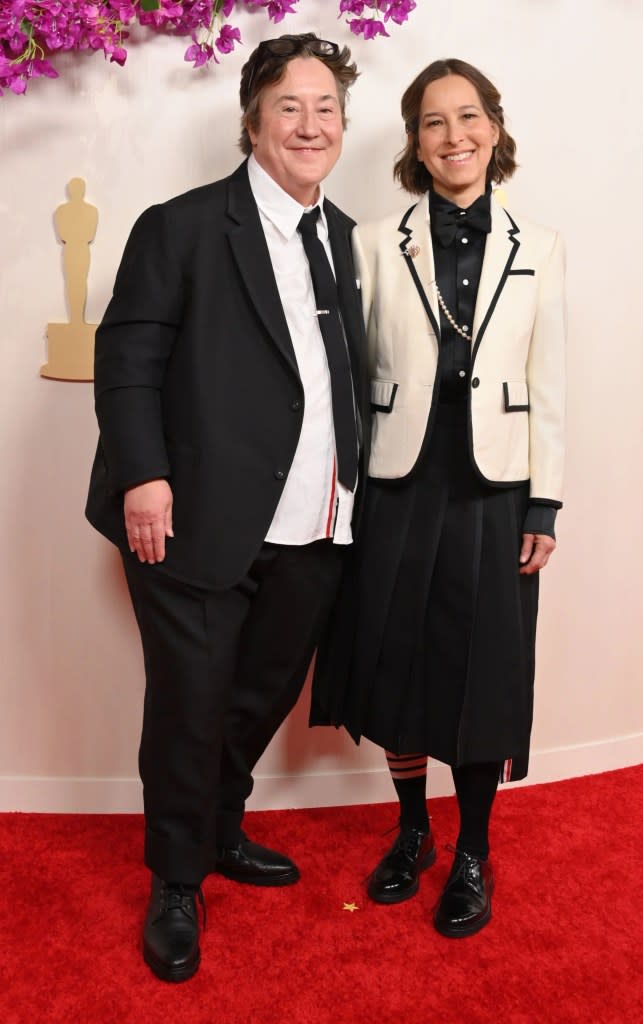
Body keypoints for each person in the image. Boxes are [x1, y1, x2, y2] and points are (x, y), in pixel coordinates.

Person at [86, 33, 367, 981]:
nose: (310, 123)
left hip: (314, 523)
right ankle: (175, 880)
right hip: (190, 516)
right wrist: (142, 475)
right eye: (289, 105)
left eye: (325, 106)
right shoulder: (185, 225)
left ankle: (218, 830)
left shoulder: (345, 237)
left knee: (257, 697)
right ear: (252, 119)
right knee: (192, 704)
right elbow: (126, 359)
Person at [312, 59, 566, 938]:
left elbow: (552, 379)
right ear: (415, 143)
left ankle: (472, 852)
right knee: (396, 660)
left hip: (497, 492)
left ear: (495, 127)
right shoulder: (376, 241)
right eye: (432, 122)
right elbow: (347, 373)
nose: (453, 136)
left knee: (481, 671)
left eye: (469, 117)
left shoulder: (542, 245)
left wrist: (547, 504)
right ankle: (413, 827)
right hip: (398, 481)